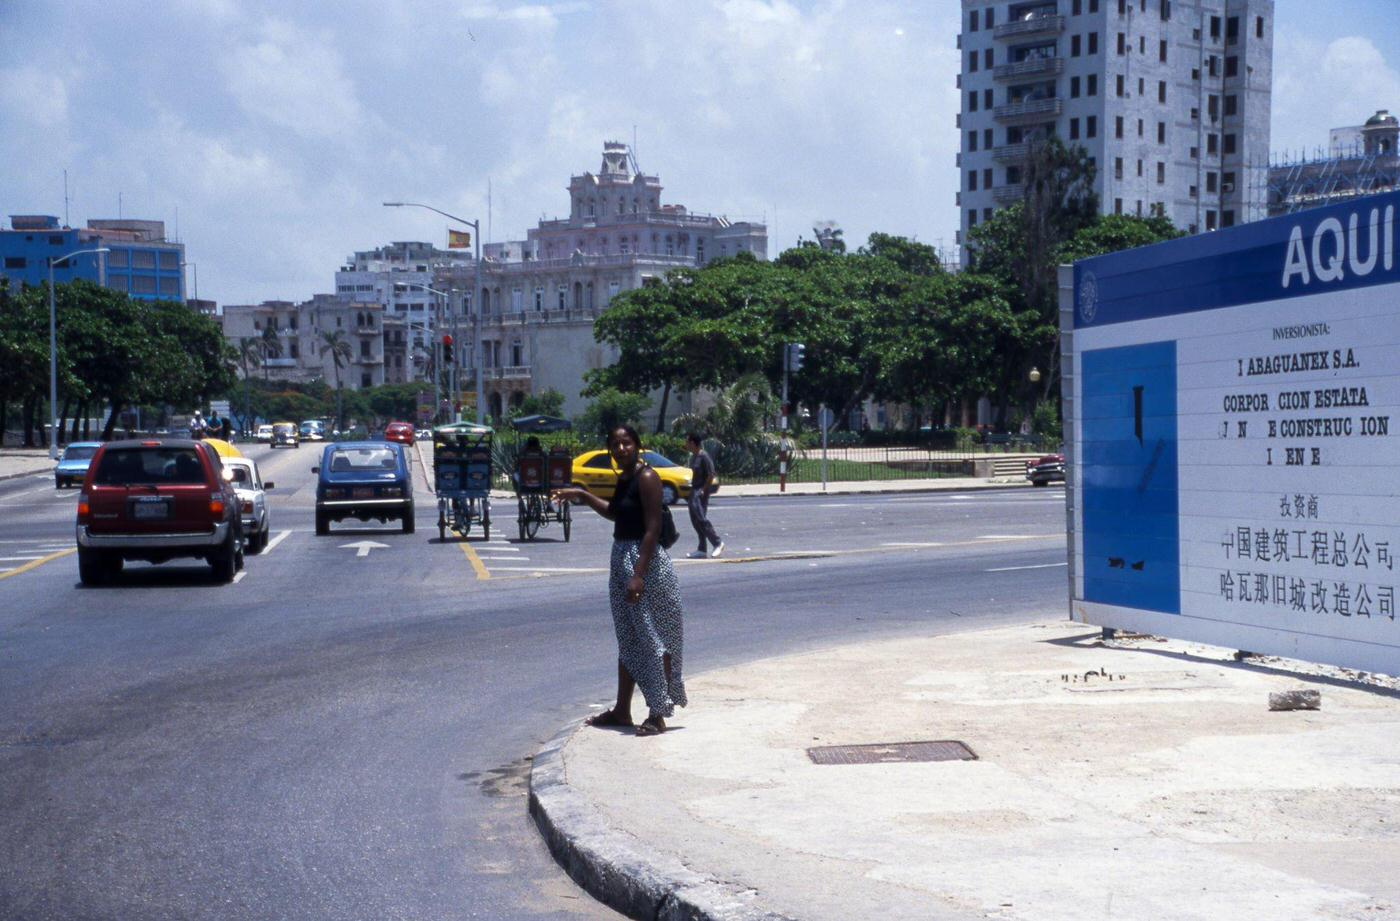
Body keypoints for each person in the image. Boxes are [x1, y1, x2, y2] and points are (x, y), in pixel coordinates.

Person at [551, 424, 687, 736]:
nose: (620, 449)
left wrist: (638, 575)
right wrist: (583, 495)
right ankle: (622, 710)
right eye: (615, 444)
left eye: (626, 443)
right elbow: (616, 513)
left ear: (637, 445)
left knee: (653, 639)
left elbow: (652, 529)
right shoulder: (624, 477)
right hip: (622, 561)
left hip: (646, 565)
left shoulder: (648, 477)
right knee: (629, 639)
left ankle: (658, 713)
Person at [683, 432, 723, 559]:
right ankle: (702, 548)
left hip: (700, 492)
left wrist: (703, 490)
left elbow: (711, 474)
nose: (686, 444)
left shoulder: (704, 456)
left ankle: (717, 542)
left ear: (693, 443)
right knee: (695, 521)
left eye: (687, 442)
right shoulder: (693, 457)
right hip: (693, 491)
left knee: (701, 519)